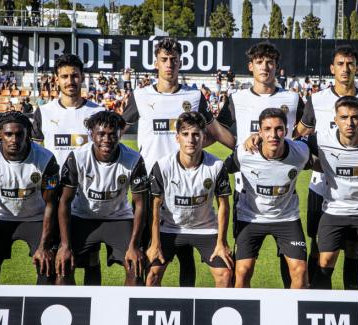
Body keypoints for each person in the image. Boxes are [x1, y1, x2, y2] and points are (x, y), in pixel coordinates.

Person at [122, 37, 234, 287]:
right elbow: (117, 130)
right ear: (156, 63)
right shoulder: (140, 95)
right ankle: (136, 305)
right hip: (150, 187)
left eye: (173, 60)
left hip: (186, 183)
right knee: (143, 255)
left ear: (180, 62)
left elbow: (214, 131)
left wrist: (245, 148)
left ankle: (187, 311)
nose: (169, 64)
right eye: (164, 59)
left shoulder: (194, 96)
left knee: (186, 253)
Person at [296, 45, 358, 290]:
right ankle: (315, 305)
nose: (345, 69)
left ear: (357, 68)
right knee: (319, 250)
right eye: (340, 64)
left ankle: (353, 303)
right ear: (332, 68)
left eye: (350, 64)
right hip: (322, 188)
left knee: (354, 250)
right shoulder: (316, 99)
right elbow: (299, 137)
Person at [217, 41, 304, 289]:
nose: (264, 66)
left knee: (290, 261)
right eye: (259, 62)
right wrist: (239, 147)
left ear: (277, 66)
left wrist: (289, 148)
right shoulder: (238, 98)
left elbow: (303, 130)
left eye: (269, 62)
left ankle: (292, 305)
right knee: (244, 265)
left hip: (282, 184)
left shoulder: (292, 98)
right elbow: (219, 128)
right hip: (248, 188)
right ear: (251, 66)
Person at [32, 53, 105, 285]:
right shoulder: (44, 112)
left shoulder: (97, 112)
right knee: (56, 259)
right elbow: (36, 154)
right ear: (56, 79)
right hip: (53, 197)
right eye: (64, 76)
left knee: (91, 258)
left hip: (87, 198)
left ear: (82, 78)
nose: (70, 81)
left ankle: (94, 306)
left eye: (74, 76)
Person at [56, 111, 148, 286]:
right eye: (101, 134)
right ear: (91, 134)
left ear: (120, 134)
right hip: (82, 217)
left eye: (112, 134)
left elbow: (140, 204)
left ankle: (127, 312)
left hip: (118, 218)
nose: (107, 139)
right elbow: (64, 202)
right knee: (63, 265)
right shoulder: (77, 157)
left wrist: (134, 245)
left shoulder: (134, 159)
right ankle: (68, 310)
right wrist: (65, 245)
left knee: (135, 266)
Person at [146, 112, 234, 287]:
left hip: (205, 229)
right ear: (177, 137)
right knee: (151, 276)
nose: (191, 139)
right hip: (170, 228)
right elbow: (154, 207)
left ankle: (218, 312)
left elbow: (223, 205)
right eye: (185, 134)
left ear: (203, 137)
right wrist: (155, 243)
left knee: (225, 274)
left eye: (196, 134)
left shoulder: (216, 166)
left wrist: (221, 242)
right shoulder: (162, 166)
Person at [225, 108, 310, 289]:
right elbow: (219, 173)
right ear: (260, 132)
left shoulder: (301, 152)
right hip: (250, 217)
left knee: (300, 271)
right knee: (242, 272)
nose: (274, 135)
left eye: (279, 129)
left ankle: (293, 315)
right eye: (268, 129)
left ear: (286, 130)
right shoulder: (245, 153)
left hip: (286, 217)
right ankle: (244, 313)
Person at [0, 111, 59, 285]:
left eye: (19, 134)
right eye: (8, 134)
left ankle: (42, 308)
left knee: (47, 266)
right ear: (0, 134)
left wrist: (44, 246)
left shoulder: (46, 159)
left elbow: (51, 204)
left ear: (27, 134)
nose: (14, 139)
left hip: (37, 218)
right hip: (1, 217)